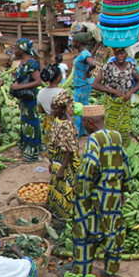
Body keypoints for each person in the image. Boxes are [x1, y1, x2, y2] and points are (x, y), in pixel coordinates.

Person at [71, 105, 130, 277]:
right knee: (113, 230)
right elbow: (125, 164)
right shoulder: (116, 136)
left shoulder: (95, 139)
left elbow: (90, 165)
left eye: (83, 121)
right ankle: (111, 272)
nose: (83, 125)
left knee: (85, 232)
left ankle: (83, 274)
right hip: (113, 193)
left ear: (90, 121)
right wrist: (123, 189)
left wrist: (81, 192)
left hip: (96, 195)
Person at [92, 47, 139, 143]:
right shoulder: (108, 67)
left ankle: (123, 148)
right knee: (111, 129)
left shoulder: (131, 66)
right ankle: (111, 148)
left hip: (125, 104)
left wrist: (130, 92)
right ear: (114, 54)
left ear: (126, 54)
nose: (120, 56)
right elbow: (95, 84)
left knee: (124, 129)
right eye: (117, 54)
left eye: (122, 53)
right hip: (111, 104)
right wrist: (113, 91)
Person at [45, 91, 80, 221]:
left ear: (63, 109)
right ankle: (57, 215)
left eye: (55, 108)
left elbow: (70, 150)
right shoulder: (57, 120)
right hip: (57, 160)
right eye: (52, 108)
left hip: (64, 162)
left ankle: (65, 218)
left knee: (64, 189)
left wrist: (61, 169)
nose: (52, 111)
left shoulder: (67, 125)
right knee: (56, 188)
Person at [9, 39, 43, 161]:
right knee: (26, 124)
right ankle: (27, 150)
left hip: (30, 100)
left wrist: (19, 87)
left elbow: (38, 81)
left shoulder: (31, 64)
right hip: (24, 100)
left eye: (16, 48)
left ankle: (32, 153)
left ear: (22, 50)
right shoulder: (22, 63)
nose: (14, 50)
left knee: (31, 125)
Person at [71, 32, 97, 137]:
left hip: (82, 85)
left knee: (76, 108)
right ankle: (83, 130)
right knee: (83, 108)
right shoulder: (82, 53)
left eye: (74, 41)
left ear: (79, 42)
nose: (72, 43)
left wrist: (87, 72)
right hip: (81, 84)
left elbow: (93, 64)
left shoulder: (84, 54)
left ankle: (76, 132)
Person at [37, 64, 65, 141]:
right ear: (57, 78)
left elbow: (41, 110)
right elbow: (69, 112)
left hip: (48, 124)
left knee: (49, 144)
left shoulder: (41, 92)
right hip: (60, 124)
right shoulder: (62, 92)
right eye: (61, 74)